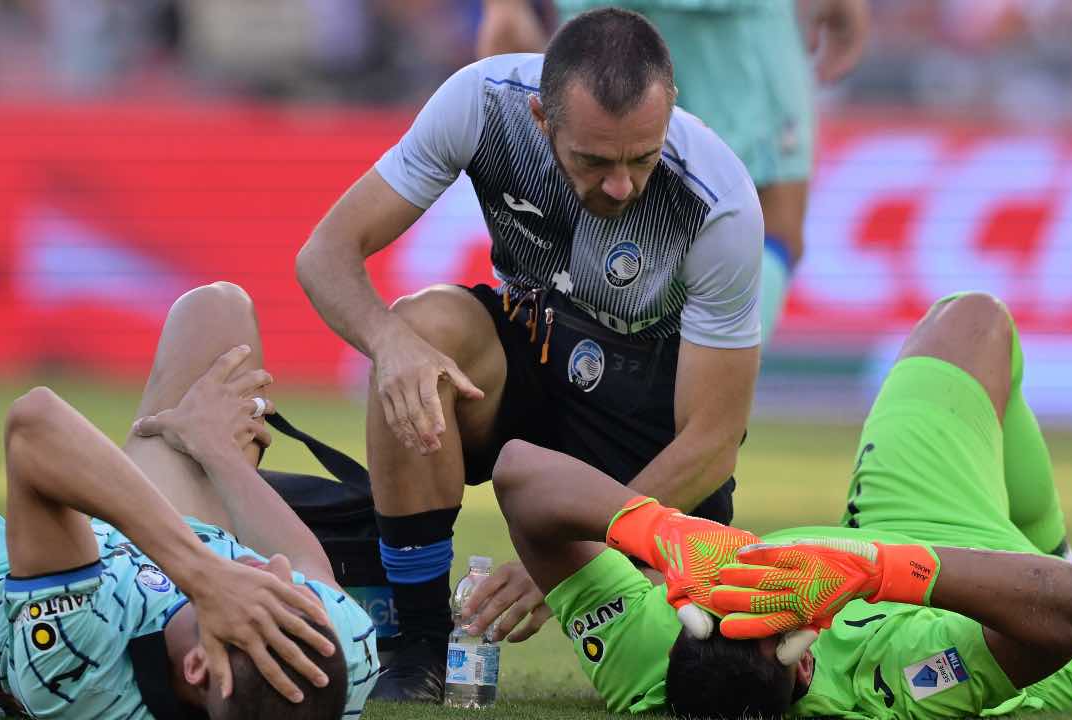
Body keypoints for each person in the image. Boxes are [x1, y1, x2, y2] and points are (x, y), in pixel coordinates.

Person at [297, 7, 764, 701]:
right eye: (594, 160)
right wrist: (390, 345)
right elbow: (324, 254)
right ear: (544, 119)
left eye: (643, 157)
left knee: (693, 682)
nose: (621, 186)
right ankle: (417, 642)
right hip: (533, 363)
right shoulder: (480, 105)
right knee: (421, 328)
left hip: (643, 442)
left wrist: (577, 560)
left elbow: (712, 442)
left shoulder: (717, 204)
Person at [484, 291, 1072, 718]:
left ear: (682, 614)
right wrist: (876, 572)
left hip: (900, 520)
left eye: (725, 588)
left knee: (971, 324)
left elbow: (519, 472)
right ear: (806, 664)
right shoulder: (891, 686)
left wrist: (662, 533)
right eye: (760, 596)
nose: (745, 578)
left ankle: (1044, 552)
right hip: (1012, 610)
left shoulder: (645, 658)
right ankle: (1038, 563)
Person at [0, 281, 379, 719]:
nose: (276, 569)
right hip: (160, 546)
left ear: (196, 666)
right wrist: (214, 450)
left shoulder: (79, 670)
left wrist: (205, 574)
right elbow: (303, 559)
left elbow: (34, 427)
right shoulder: (336, 658)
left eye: (265, 600)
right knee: (218, 312)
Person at [477, 0, 871, 342]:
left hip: (599, 14)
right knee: (771, 223)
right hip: (730, 16)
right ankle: (672, 403)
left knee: (606, 181)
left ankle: (593, 391)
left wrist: (505, 6)